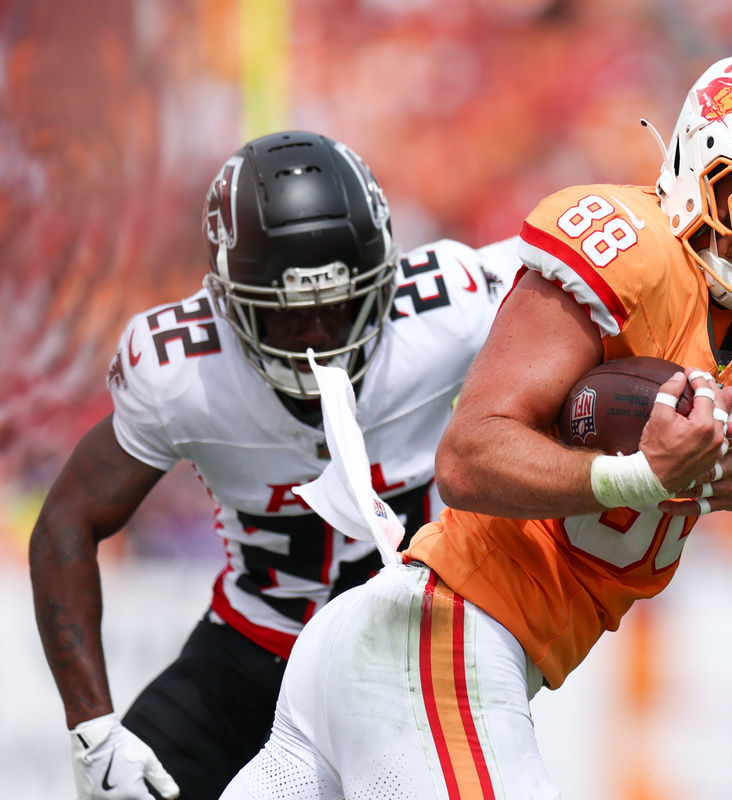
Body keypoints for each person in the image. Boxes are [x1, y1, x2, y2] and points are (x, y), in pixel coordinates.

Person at [221, 45, 732, 799]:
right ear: (699, 164)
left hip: (405, 654)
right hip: (435, 638)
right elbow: (467, 459)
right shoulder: (629, 250)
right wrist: (640, 476)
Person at [28, 130, 519, 800]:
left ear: (384, 282)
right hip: (255, 647)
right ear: (229, 304)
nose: (318, 338)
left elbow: (596, 282)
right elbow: (66, 523)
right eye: (289, 319)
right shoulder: (182, 372)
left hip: (408, 655)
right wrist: (93, 731)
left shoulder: (453, 306)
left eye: (338, 308)